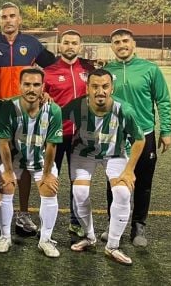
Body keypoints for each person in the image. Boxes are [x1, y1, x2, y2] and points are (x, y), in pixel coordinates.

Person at [0, 2, 55, 236]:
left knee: (25, 163)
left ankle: (23, 213)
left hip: (25, 112)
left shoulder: (32, 43)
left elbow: (54, 67)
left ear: (20, 19)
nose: (8, 20)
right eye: (4, 16)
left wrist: (46, 91)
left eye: (12, 16)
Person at [64, 68, 145, 265]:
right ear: (87, 88)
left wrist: (129, 170)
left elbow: (139, 139)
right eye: (95, 86)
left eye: (105, 86)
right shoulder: (76, 106)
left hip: (115, 154)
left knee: (123, 193)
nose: (100, 91)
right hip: (83, 153)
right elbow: (55, 117)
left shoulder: (124, 109)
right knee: (80, 192)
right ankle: (90, 237)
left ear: (112, 88)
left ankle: (113, 246)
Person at [104, 28, 171, 247]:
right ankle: (113, 223)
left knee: (143, 182)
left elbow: (163, 100)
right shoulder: (106, 71)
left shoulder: (150, 69)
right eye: (117, 42)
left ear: (133, 44)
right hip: (116, 135)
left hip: (144, 134)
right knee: (114, 181)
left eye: (125, 41)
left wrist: (166, 131)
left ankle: (138, 225)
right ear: (112, 46)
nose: (121, 45)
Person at [0, 69, 63, 257]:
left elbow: (51, 145)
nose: (31, 89)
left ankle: (45, 240)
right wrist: (8, 171)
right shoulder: (9, 107)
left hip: (41, 160)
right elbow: (3, 143)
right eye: (27, 84)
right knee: (6, 186)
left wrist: (47, 174)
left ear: (43, 87)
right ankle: (5, 236)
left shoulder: (53, 110)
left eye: (36, 85)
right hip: (14, 160)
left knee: (49, 189)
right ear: (20, 86)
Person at [42, 30, 95, 238]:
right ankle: (47, 224)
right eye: (66, 42)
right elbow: (40, 99)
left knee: (78, 181)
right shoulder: (49, 71)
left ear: (80, 46)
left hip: (81, 135)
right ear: (60, 46)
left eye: (74, 43)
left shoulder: (89, 70)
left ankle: (76, 221)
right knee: (50, 178)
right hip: (55, 134)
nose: (70, 46)